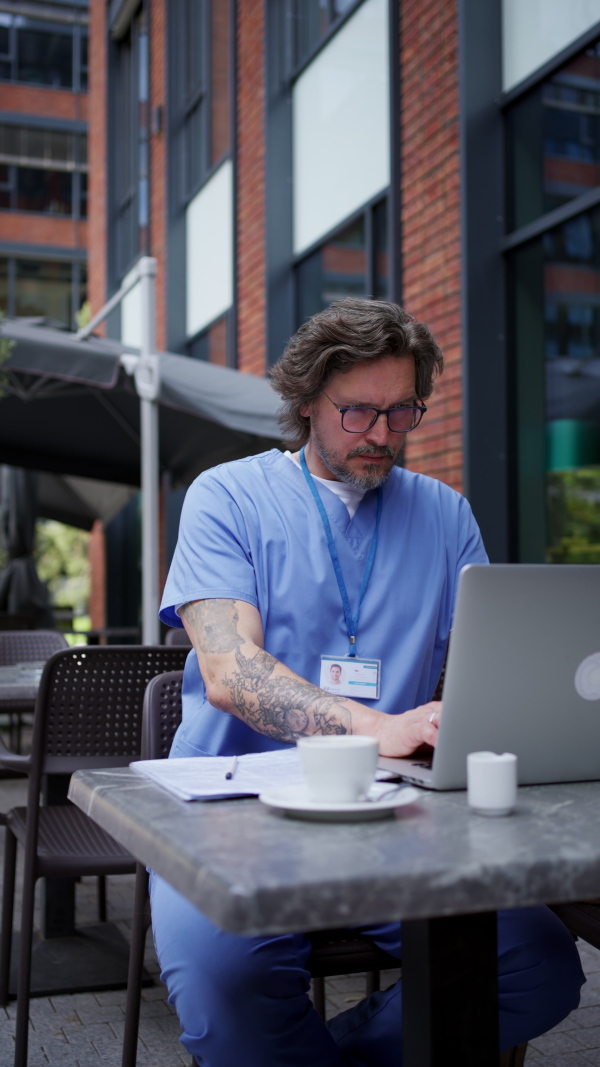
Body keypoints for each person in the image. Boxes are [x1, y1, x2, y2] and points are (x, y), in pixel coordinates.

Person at [153, 299, 584, 1067]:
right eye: (358, 411)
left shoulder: (447, 514)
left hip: (399, 819)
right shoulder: (227, 497)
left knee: (539, 968)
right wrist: (375, 724)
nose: (383, 435)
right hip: (230, 822)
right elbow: (230, 673)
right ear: (306, 400)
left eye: (402, 411)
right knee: (229, 988)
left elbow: (486, 673)